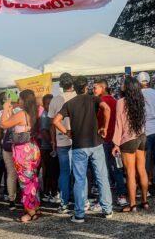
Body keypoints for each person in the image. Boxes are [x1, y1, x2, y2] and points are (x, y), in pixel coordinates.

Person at [52, 76, 113, 223]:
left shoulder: (70, 103)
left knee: (79, 180)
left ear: (75, 88)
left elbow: (55, 121)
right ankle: (107, 210)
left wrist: (67, 132)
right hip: (96, 143)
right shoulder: (94, 99)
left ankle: (79, 214)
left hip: (79, 145)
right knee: (101, 177)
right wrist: (104, 126)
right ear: (86, 87)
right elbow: (107, 108)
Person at [0, 89, 42, 223]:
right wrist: (11, 111)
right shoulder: (34, 112)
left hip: (22, 151)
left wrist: (5, 108)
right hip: (32, 148)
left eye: (20, 99)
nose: (19, 101)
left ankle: (30, 213)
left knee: (25, 182)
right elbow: (17, 124)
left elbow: (3, 124)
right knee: (33, 179)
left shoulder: (22, 114)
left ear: (24, 100)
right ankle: (35, 207)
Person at [111, 76, 149, 212]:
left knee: (130, 173)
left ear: (127, 87)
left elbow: (119, 124)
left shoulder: (121, 102)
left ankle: (132, 204)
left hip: (128, 139)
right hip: (142, 136)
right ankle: (145, 201)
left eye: (123, 84)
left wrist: (115, 143)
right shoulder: (141, 100)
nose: (121, 85)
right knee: (142, 170)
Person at [92, 79, 126, 205]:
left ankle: (107, 198)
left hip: (104, 140)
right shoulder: (115, 101)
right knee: (117, 167)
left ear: (103, 88)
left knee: (104, 170)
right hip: (115, 139)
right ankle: (121, 194)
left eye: (96, 87)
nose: (93, 90)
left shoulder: (100, 103)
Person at [47, 73, 77, 213]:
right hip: (79, 140)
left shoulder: (55, 100)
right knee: (79, 172)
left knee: (64, 172)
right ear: (73, 83)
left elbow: (52, 124)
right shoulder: (79, 97)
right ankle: (81, 201)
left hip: (61, 140)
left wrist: (53, 141)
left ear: (60, 85)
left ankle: (64, 203)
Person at [38, 94, 59, 204]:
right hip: (47, 148)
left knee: (50, 171)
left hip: (48, 147)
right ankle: (52, 193)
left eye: (51, 103)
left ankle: (48, 192)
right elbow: (43, 131)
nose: (49, 106)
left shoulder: (49, 114)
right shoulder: (45, 115)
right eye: (47, 104)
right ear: (43, 104)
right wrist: (52, 143)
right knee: (51, 171)